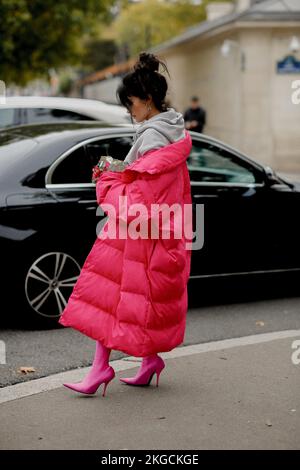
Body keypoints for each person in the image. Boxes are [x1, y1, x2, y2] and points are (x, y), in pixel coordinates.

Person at [58, 52, 193, 397]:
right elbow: (148, 187)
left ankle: (101, 369)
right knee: (126, 304)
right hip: (153, 237)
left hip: (140, 238)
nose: (130, 111)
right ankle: (146, 363)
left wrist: (106, 181)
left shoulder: (152, 138)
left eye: (132, 103)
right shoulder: (171, 131)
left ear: (147, 101)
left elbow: (137, 205)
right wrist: (120, 172)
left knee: (114, 302)